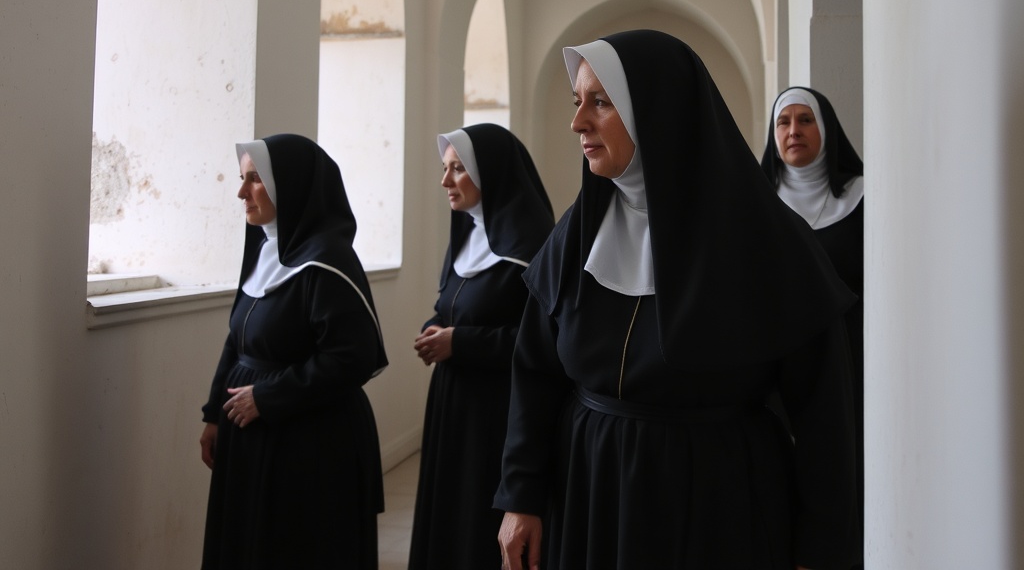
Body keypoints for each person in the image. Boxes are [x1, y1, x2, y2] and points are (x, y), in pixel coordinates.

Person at [494, 30, 861, 570]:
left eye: (601, 102)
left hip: (718, 506)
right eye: (578, 102)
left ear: (657, 110)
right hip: (592, 494)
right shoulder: (578, 233)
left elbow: (824, 414)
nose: (578, 122)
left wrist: (820, 548)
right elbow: (535, 373)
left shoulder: (766, 239)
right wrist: (521, 496)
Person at [200, 133, 388, 570]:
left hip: (309, 443)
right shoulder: (265, 250)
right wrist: (213, 413)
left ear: (291, 184)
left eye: (255, 180)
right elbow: (238, 340)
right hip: (250, 430)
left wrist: (267, 398)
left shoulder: (327, 262)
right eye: (242, 179)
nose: (242, 192)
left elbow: (351, 357)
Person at [409, 123, 554, 570]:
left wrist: (462, 342)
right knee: (449, 512)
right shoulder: (468, 236)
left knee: (478, 515)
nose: (445, 181)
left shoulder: (532, 249)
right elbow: (454, 307)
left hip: (499, 411)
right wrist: (438, 327)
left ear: (489, 172)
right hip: (453, 404)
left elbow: (541, 344)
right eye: (445, 168)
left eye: (457, 169)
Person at [761, 87, 865, 568]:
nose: (793, 132)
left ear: (826, 131)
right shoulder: (755, 206)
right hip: (771, 369)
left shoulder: (863, 200)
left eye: (805, 121)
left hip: (852, 364)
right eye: (784, 123)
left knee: (842, 474)